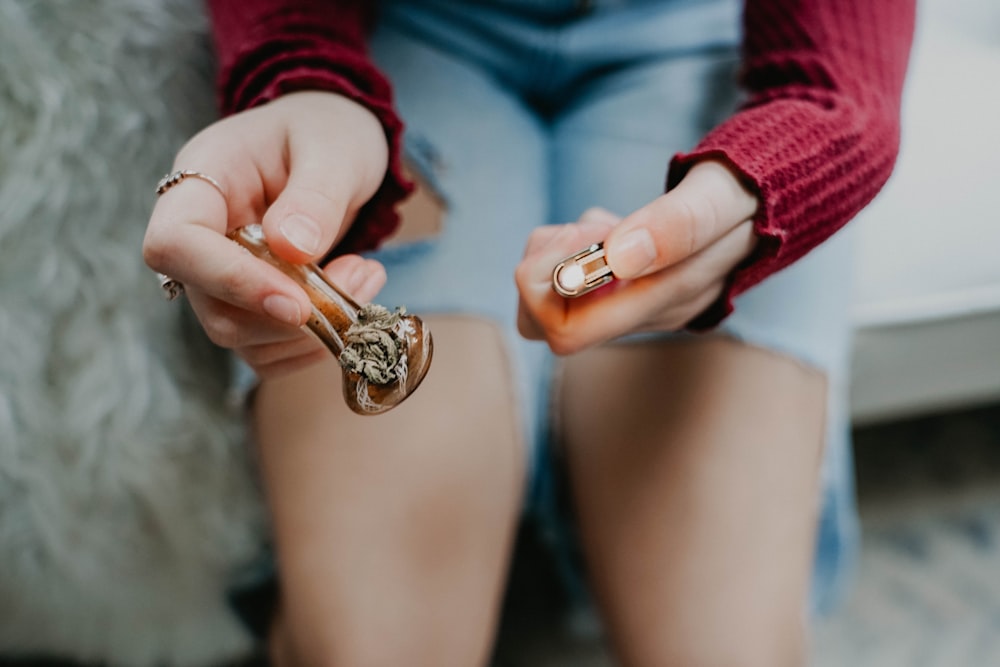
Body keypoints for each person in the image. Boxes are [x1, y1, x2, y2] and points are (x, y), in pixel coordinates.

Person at [143, 0, 915, 664]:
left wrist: (775, 179)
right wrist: (301, 74)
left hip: (721, 50)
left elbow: (837, 84)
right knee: (372, 640)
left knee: (725, 640)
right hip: (402, 35)